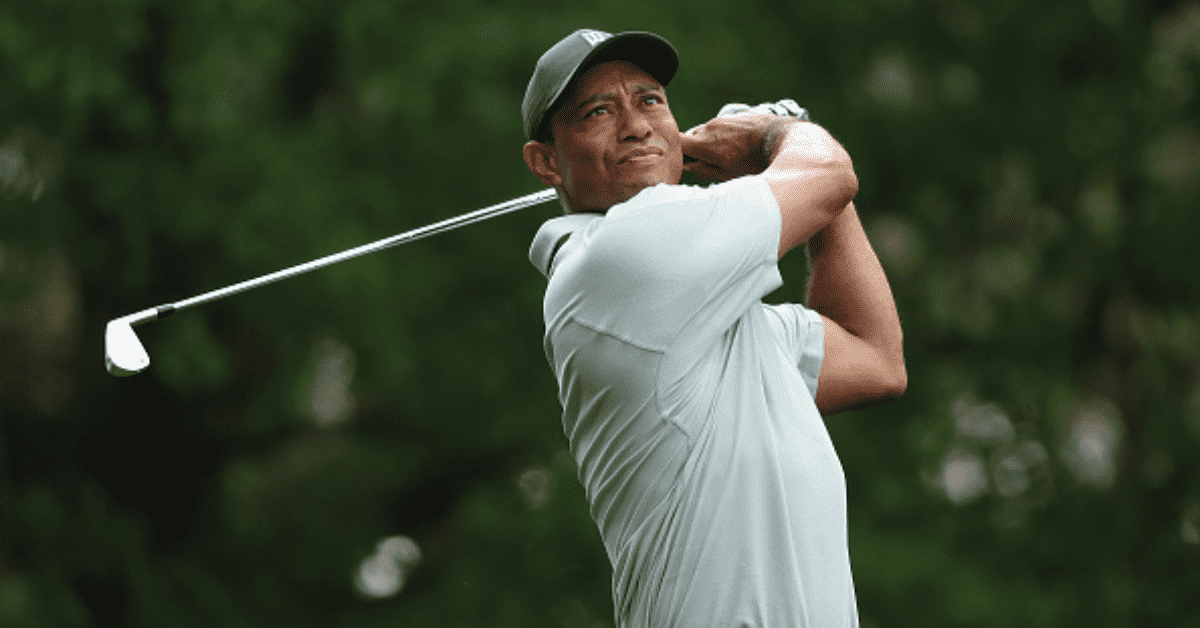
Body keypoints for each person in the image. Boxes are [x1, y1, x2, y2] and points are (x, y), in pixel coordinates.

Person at [521, 29, 905, 628]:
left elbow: (875, 358)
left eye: (649, 101)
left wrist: (818, 188)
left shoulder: (718, 318)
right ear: (545, 162)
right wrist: (778, 134)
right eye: (597, 111)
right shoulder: (619, 254)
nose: (635, 126)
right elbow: (829, 173)